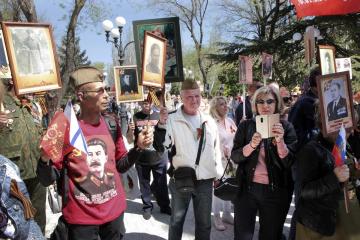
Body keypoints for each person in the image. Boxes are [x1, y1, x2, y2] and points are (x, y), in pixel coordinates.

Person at [37, 66, 153, 240]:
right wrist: (45, 158)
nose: (106, 95)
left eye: (106, 89)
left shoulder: (111, 123)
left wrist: (138, 148)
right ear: (81, 96)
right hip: (81, 222)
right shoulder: (66, 129)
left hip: (114, 216)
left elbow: (121, 165)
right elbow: (47, 179)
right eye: (100, 91)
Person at [154, 79, 223, 240]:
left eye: (197, 96)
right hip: (181, 178)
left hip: (205, 180)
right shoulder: (171, 119)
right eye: (189, 97)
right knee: (177, 222)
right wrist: (162, 124)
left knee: (204, 223)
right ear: (182, 97)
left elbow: (216, 149)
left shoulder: (209, 120)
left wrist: (218, 174)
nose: (194, 100)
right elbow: (161, 146)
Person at [231, 86, 297, 240]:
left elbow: (290, 162)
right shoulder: (246, 125)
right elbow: (235, 156)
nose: (265, 105)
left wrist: (280, 142)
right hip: (247, 189)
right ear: (255, 105)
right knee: (242, 235)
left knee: (270, 235)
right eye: (260, 102)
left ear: (277, 104)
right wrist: (251, 146)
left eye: (270, 101)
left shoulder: (286, 127)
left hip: (275, 191)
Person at [295, 102, 360, 240]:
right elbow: (304, 191)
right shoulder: (311, 150)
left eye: (351, 125)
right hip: (323, 224)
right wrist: (334, 178)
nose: (350, 131)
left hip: (349, 215)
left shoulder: (343, 144)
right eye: (345, 126)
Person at [0, 78, 46, 233]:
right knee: (16, 220)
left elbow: (39, 131)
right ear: (13, 80)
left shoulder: (32, 105)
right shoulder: (1, 101)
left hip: (37, 171)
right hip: (14, 175)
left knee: (39, 217)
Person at [129, 98, 171, 220]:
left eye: (148, 101)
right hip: (141, 158)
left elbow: (167, 133)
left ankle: (164, 206)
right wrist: (131, 132)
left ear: (152, 102)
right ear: (140, 103)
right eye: (143, 102)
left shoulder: (159, 115)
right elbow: (130, 139)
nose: (146, 104)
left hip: (159, 156)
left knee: (161, 184)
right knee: (144, 184)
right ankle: (147, 206)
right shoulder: (135, 117)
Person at [209, 96, 237, 231]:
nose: (225, 106)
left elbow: (236, 137)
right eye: (221, 104)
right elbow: (211, 144)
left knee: (229, 187)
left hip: (232, 162)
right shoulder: (212, 124)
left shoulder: (230, 121)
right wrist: (222, 151)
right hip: (219, 162)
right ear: (215, 107)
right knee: (218, 190)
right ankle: (216, 216)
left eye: (226, 104)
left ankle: (227, 213)